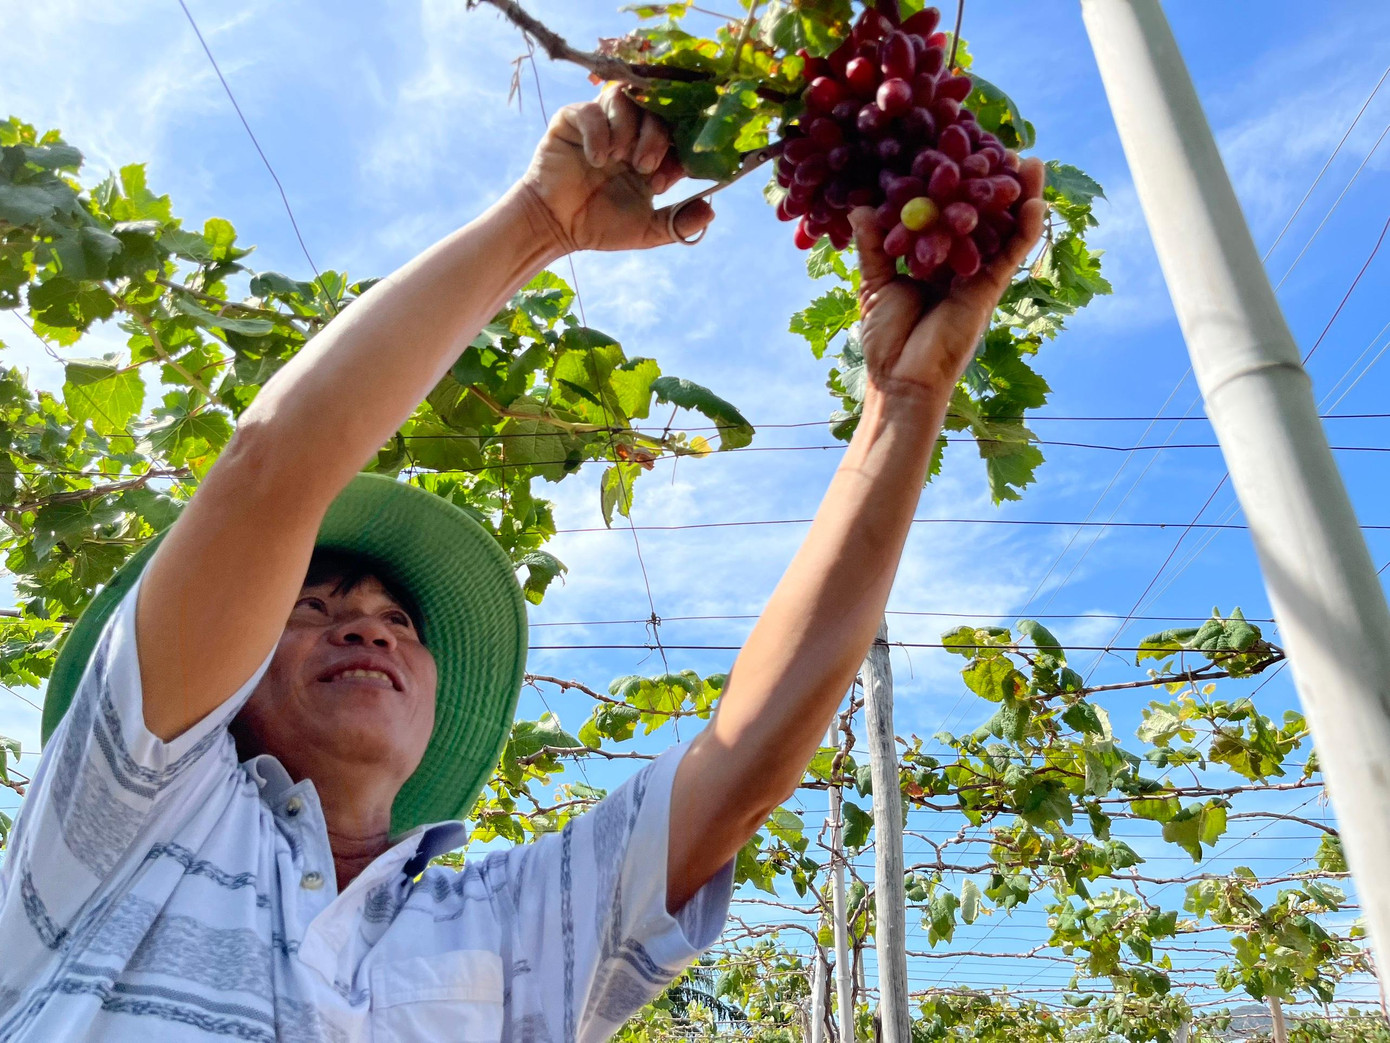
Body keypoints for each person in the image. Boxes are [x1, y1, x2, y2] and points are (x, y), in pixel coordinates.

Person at [0, 87, 1043, 1042]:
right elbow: (272, 469)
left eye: (399, 621)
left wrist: (903, 405)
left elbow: (748, 758)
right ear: (223, 673)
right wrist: (538, 225)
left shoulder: (506, 922)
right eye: (313, 606)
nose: (367, 623)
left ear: (435, 696)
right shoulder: (134, 806)